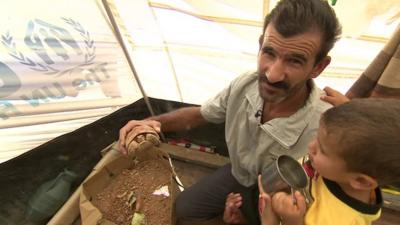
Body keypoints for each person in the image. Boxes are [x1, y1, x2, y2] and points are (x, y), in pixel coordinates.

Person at [118, 0, 341, 223]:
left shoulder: (327, 125)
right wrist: (148, 123)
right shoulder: (245, 84)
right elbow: (199, 115)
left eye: (294, 61)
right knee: (185, 209)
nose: (272, 74)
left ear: (318, 67)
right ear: (261, 44)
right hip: (239, 175)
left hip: (281, 203)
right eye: (269, 53)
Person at [257, 98, 400, 225]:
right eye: (316, 138)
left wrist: (290, 221)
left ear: (361, 181)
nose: (311, 146)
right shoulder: (347, 169)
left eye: (322, 150)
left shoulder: (340, 220)